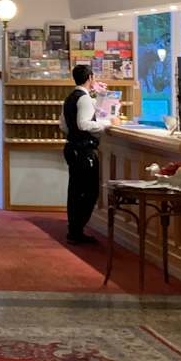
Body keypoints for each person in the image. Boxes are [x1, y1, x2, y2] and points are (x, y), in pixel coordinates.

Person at [60, 64, 111, 245]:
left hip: (71, 147)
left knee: (75, 190)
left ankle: (74, 229)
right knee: (89, 191)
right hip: (83, 150)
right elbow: (84, 124)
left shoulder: (70, 98)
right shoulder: (84, 99)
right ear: (90, 78)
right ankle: (77, 230)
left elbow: (63, 125)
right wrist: (107, 124)